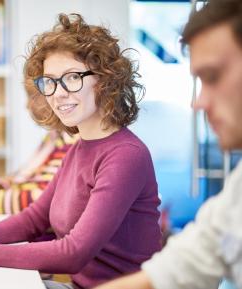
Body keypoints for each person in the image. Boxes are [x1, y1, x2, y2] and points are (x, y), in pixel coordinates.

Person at [0, 13, 162, 289]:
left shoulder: (126, 155)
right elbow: (35, 218)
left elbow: (73, 253)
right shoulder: (80, 147)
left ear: (104, 80)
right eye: (50, 82)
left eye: (72, 77)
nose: (58, 93)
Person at [94, 0, 242, 288]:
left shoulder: (126, 153)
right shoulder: (237, 191)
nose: (197, 102)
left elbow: (77, 247)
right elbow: (168, 274)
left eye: (213, 77)